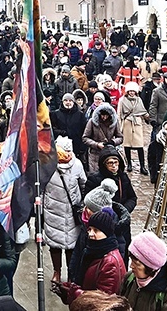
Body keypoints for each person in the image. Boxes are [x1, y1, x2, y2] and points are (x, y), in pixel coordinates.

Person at [55, 208, 126, 305]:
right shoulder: (93, 251)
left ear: (107, 233)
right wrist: (69, 288)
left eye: (96, 230)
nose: (90, 234)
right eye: (89, 229)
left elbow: (102, 301)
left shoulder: (110, 263)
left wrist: (74, 293)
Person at [44, 137, 87, 284]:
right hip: (52, 210)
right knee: (54, 243)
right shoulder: (47, 164)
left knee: (71, 246)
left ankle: (70, 273)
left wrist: (81, 204)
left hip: (72, 211)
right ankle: (57, 270)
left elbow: (83, 184)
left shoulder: (77, 165)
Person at [119, 232, 167, 310]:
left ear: (150, 268)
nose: (131, 266)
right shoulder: (129, 279)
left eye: (137, 264)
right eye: (131, 260)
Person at [117, 82, 149, 175]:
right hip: (127, 123)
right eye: (130, 91)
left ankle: (142, 166)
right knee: (127, 145)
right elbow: (119, 113)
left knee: (140, 145)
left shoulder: (138, 100)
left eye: (133, 91)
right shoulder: (122, 100)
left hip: (137, 123)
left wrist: (148, 117)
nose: (131, 93)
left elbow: (143, 110)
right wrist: (119, 125)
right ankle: (129, 164)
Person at [82, 103, 123, 174]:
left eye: (106, 115)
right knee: (95, 174)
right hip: (95, 153)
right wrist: (96, 144)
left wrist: (113, 142)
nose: (104, 117)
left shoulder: (114, 123)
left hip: (109, 152)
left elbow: (120, 137)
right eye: (102, 115)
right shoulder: (92, 122)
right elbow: (85, 138)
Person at [51, 94, 87, 163]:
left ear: (73, 102)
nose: (68, 102)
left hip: (77, 147)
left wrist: (82, 147)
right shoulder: (55, 114)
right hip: (60, 147)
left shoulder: (80, 115)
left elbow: (84, 131)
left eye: (70, 101)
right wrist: (61, 132)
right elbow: (53, 129)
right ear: (62, 102)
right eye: (66, 100)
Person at [148, 71, 167, 137]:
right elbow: (153, 106)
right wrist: (153, 120)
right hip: (160, 121)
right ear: (164, 79)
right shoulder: (157, 91)